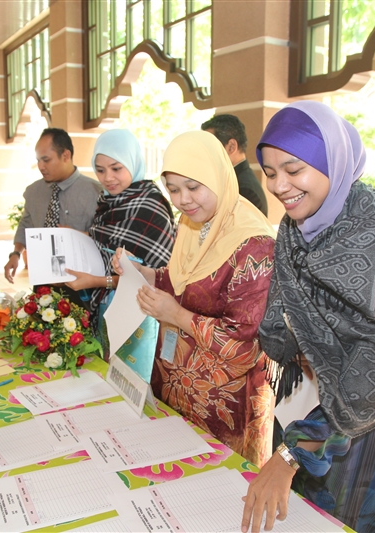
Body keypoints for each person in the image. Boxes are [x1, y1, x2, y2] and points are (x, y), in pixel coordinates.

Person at [241, 101, 375, 533]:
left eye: (294, 169)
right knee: (296, 517)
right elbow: (281, 307)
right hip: (307, 398)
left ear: (333, 163)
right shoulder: (296, 224)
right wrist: (296, 345)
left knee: (345, 517)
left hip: (364, 416)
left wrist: (291, 455)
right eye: (269, 173)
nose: (280, 185)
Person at [112, 131, 277, 466]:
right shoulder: (192, 223)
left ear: (217, 176)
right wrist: (145, 274)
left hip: (226, 403)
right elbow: (182, 281)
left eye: (193, 186)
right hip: (177, 386)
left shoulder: (255, 244)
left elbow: (244, 346)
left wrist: (176, 315)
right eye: (173, 189)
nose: (183, 199)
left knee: (220, 496)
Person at [63, 129, 175, 367]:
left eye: (116, 168)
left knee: (132, 383)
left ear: (132, 163)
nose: (108, 178)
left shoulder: (150, 205)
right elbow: (105, 245)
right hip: (105, 308)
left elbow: (153, 278)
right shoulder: (109, 202)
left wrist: (95, 281)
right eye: (100, 170)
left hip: (139, 317)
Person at [3, 128, 102, 294]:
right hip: (42, 284)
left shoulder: (95, 192)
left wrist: (78, 235)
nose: (41, 166)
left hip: (82, 286)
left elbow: (104, 237)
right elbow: (26, 222)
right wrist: (15, 254)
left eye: (46, 160)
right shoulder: (33, 192)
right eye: (38, 160)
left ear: (65, 155)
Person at [201, 114, 269, 216]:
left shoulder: (245, 190)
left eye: (209, 147)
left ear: (231, 147)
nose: (204, 153)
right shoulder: (231, 180)